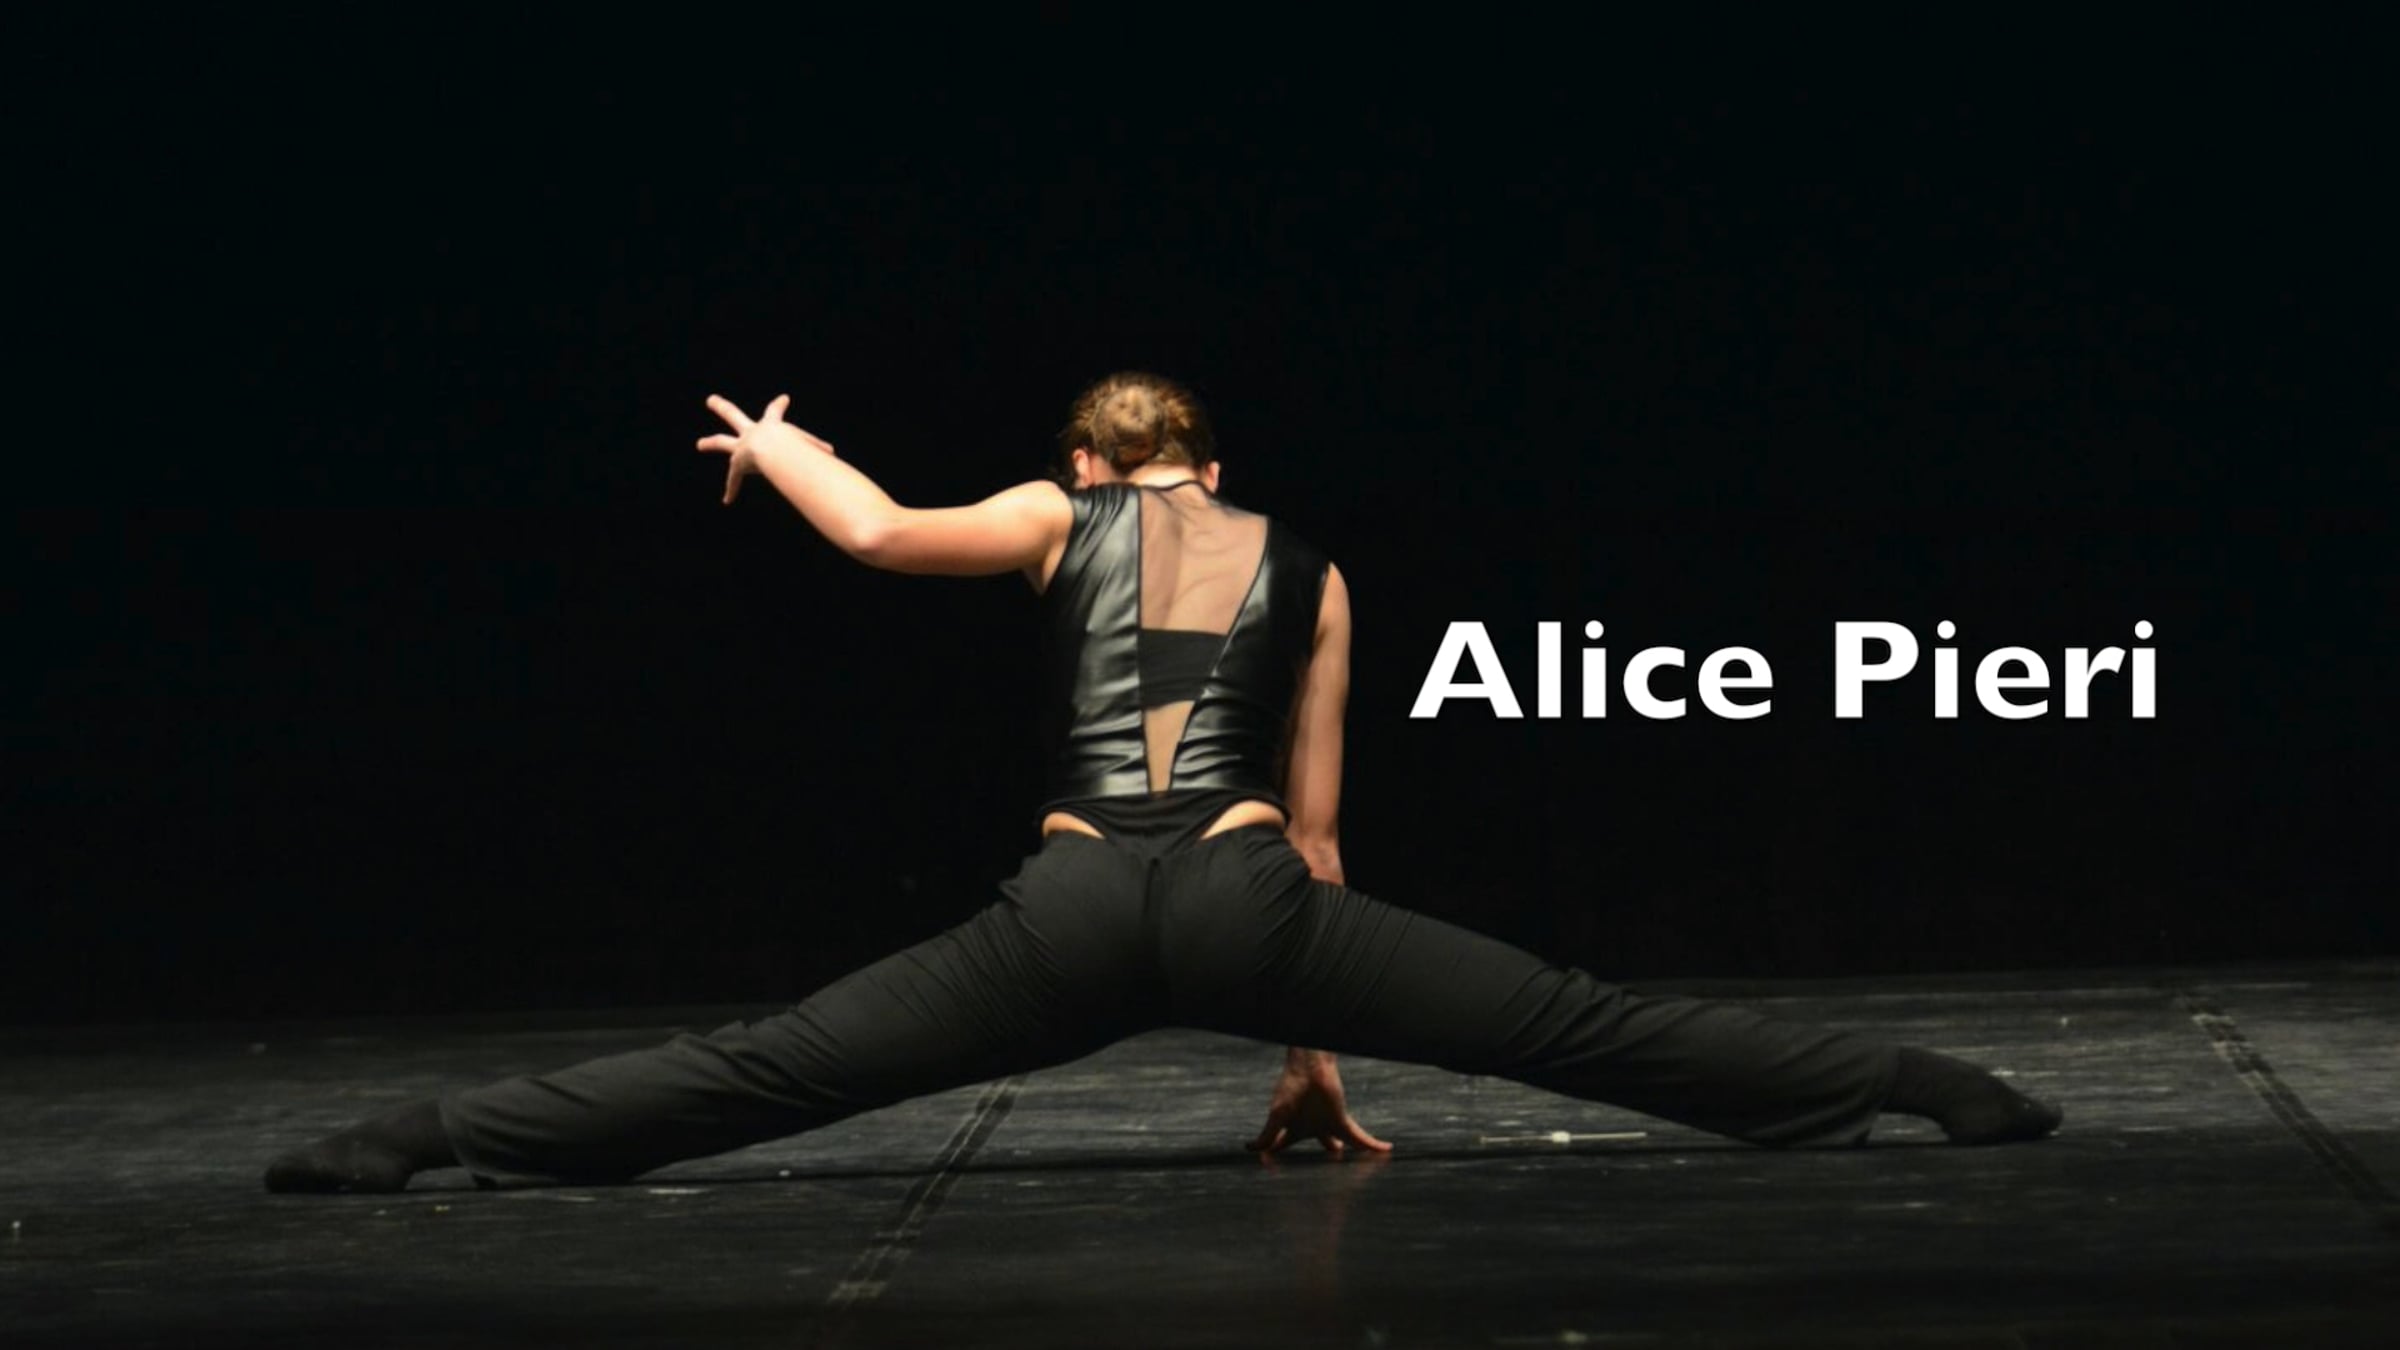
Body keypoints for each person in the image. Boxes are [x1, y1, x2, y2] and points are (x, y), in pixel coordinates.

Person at [265, 372, 2060, 1194]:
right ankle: (1920, 1087)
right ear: (1214, 460)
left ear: (1084, 463)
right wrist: (1308, 1058)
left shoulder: (1057, 516)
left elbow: (877, 532)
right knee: (1574, 1023)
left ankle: (424, 1138)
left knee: (769, 1068)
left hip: (1065, 917)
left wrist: (783, 445)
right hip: (1248, 904)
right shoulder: (1312, 565)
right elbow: (1322, 834)